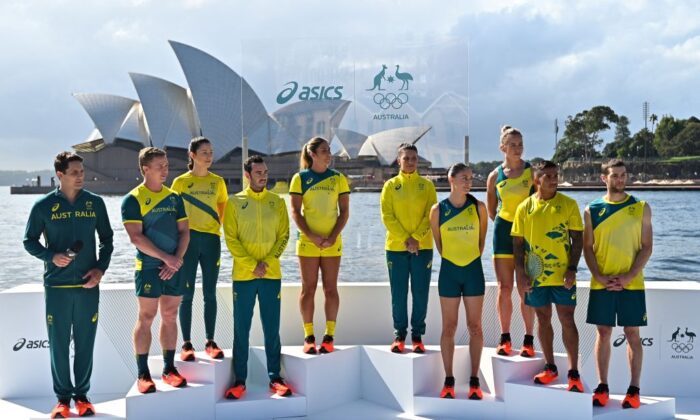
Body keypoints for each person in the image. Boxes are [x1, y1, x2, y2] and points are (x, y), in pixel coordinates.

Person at [24, 152, 114, 418]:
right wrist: (51, 256)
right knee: (59, 344)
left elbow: (107, 241)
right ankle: (62, 400)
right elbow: (29, 241)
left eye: (82, 172)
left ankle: (83, 396)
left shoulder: (95, 203)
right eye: (74, 172)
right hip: (57, 287)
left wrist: (100, 269)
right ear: (59, 175)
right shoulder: (42, 206)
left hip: (88, 285)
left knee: (85, 343)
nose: (80, 176)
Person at [584, 159, 653, 409]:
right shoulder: (591, 210)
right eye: (615, 175)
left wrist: (629, 276)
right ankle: (602, 387)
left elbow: (647, 247)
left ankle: (634, 389)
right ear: (604, 178)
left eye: (623, 175)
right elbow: (588, 249)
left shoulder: (641, 207)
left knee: (632, 334)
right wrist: (600, 276)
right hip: (601, 282)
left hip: (631, 283)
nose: (620, 179)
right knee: (603, 332)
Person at [223, 156, 292, 400]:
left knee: (271, 328)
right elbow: (231, 239)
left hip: (271, 275)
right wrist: (253, 265)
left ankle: (275, 377)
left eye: (265, 172)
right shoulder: (234, 202)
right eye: (259, 172)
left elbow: (284, 236)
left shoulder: (277, 202)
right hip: (244, 276)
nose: (264, 176)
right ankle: (239, 380)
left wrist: (268, 262)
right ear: (247, 175)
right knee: (241, 330)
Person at [122, 147, 190, 394]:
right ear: (145, 169)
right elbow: (136, 238)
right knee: (147, 317)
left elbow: (184, 231)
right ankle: (143, 374)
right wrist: (166, 259)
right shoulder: (133, 199)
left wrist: (177, 260)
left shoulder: (174, 198)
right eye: (159, 166)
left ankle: (169, 369)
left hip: (174, 266)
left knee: (170, 315)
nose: (165, 169)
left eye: (167, 165)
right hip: (149, 268)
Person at [511, 160, 584, 392]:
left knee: (567, 319)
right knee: (543, 319)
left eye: (556, 175)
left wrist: (572, 268)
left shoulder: (569, 204)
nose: (554, 179)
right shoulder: (524, 208)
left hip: (563, 275)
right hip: (536, 275)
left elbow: (578, 240)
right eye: (548, 176)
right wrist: (521, 274)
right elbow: (517, 244)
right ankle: (550, 367)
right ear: (536, 180)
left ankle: (573, 373)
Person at [429, 164, 488, 400]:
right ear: (451, 179)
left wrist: (468, 259)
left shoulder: (478, 207)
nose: (468, 182)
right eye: (464, 178)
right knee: (449, 328)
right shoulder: (437, 210)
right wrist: (455, 261)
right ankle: (449, 379)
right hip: (449, 272)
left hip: (473, 270)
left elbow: (482, 242)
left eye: (471, 178)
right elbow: (439, 245)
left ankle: (474, 380)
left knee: (475, 327)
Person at [290, 137, 350, 354]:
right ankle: (309, 336)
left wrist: (333, 236)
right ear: (312, 154)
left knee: (330, 288)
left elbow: (344, 212)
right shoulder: (300, 178)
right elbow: (296, 212)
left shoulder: (338, 179)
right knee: (308, 288)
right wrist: (312, 236)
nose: (329, 154)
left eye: (329, 150)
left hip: (332, 242)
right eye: (324, 151)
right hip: (308, 242)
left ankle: (329, 335)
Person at [171, 137, 228, 361]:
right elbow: (172, 214)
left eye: (211, 152)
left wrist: (212, 229)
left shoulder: (218, 182)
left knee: (210, 293)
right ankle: (186, 344)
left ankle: (210, 341)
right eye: (204, 152)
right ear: (192, 155)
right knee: (187, 295)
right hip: (187, 242)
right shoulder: (180, 183)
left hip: (211, 241)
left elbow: (223, 212)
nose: (209, 156)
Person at [380, 143, 437, 353]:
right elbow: (387, 216)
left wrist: (416, 238)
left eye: (414, 158)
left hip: (423, 247)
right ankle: (399, 335)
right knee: (399, 293)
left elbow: (430, 215)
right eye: (406, 158)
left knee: (420, 292)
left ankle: (417, 336)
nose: (411, 162)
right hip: (396, 247)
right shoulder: (390, 186)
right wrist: (406, 238)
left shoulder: (427, 186)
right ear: (399, 160)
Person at [486, 126, 536, 357]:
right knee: (504, 287)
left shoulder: (531, 172)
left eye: (520, 144)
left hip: (527, 234)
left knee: (525, 287)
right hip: (503, 232)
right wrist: (509, 224)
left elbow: (539, 203)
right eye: (512, 144)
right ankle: (505, 338)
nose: (517, 148)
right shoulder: (495, 176)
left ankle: (528, 339)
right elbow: (492, 211)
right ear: (502, 148)